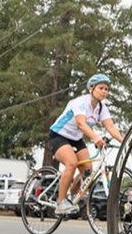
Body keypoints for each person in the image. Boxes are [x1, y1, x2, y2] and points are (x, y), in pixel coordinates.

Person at [47, 74, 125, 216]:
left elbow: (111, 128)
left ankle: (71, 197)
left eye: (106, 89)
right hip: (59, 135)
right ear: (91, 88)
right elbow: (81, 123)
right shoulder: (80, 102)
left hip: (75, 139)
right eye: (101, 88)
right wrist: (96, 138)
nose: (104, 92)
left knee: (88, 171)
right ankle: (60, 202)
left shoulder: (101, 108)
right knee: (72, 163)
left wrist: (126, 142)